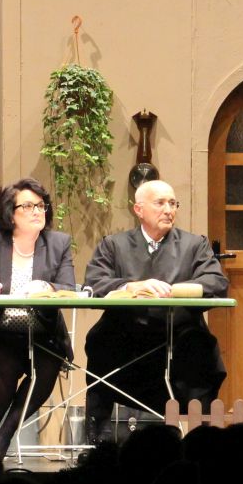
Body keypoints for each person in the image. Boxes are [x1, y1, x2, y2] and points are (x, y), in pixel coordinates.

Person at [83, 179, 228, 439]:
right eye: (160, 203)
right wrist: (132, 286)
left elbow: (216, 282)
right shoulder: (114, 245)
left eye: (173, 203)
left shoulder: (195, 245)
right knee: (100, 340)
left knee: (201, 348)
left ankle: (202, 442)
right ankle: (97, 440)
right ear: (139, 209)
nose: (168, 210)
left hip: (180, 335)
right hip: (127, 334)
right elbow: (94, 283)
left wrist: (175, 291)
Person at [0, 178, 76, 455]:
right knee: (5, 361)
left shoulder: (58, 243)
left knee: (48, 365)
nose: (38, 211)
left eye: (41, 206)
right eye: (29, 206)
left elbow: (68, 289)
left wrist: (47, 287)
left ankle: (3, 437)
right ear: (11, 214)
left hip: (44, 331)